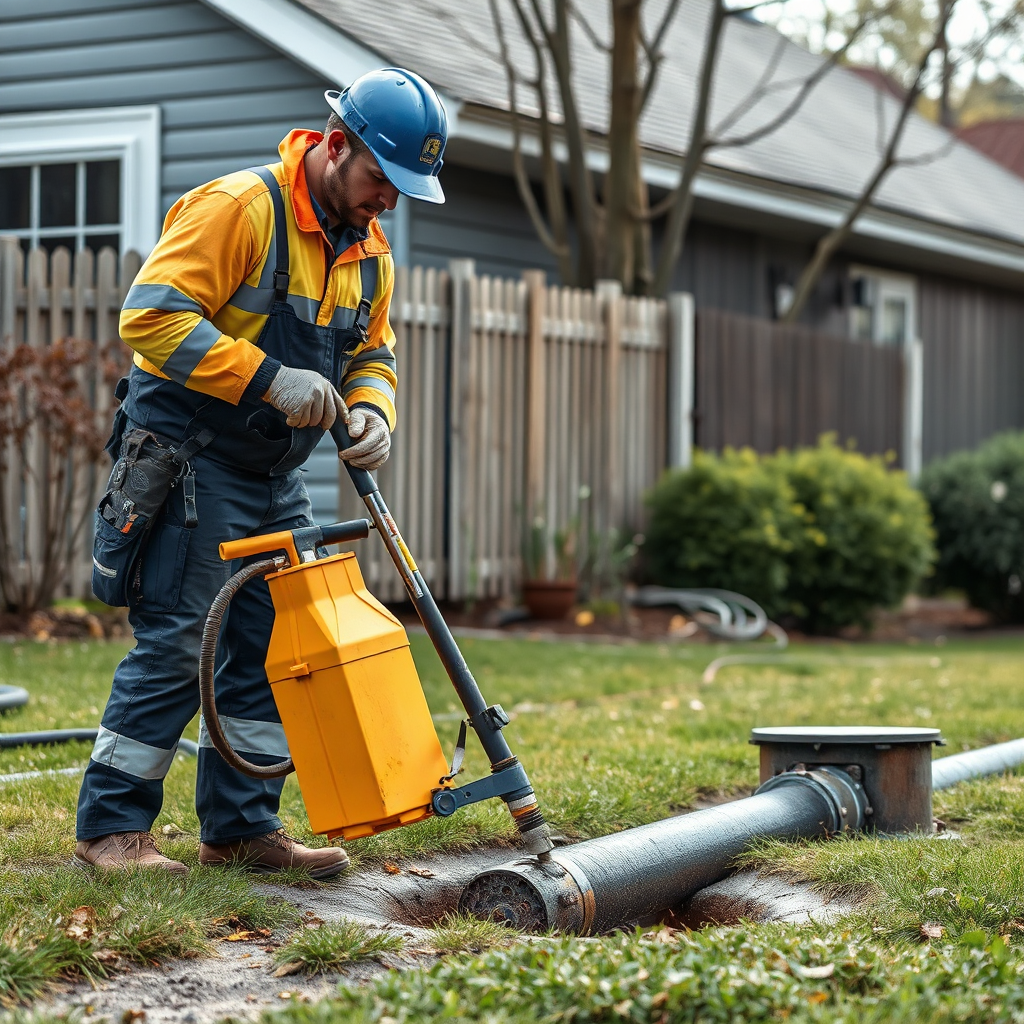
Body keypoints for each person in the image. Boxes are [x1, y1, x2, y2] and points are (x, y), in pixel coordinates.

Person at [76, 68, 447, 876]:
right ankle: (111, 831)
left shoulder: (368, 252)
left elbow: (372, 350)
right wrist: (269, 379)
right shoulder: (241, 209)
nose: (389, 200)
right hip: (188, 458)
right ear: (335, 145)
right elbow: (149, 317)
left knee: (271, 641)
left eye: (403, 188)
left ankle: (240, 830)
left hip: (277, 473)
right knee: (181, 639)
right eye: (382, 179)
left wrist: (374, 410)